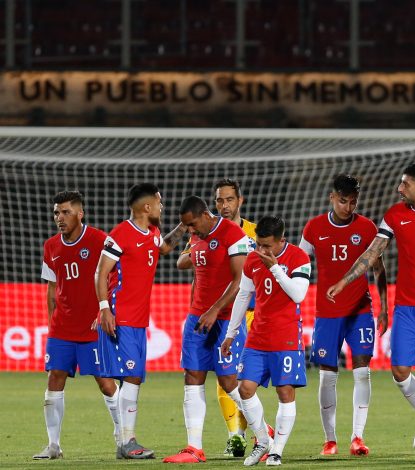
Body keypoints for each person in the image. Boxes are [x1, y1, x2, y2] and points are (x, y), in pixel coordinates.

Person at [327, 163, 415, 457]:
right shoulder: (394, 215)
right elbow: (372, 253)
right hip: (405, 306)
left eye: (405, 184)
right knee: (399, 370)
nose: (399, 189)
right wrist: (343, 281)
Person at [95, 183, 186, 459]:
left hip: (138, 320)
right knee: (131, 377)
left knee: (133, 379)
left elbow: (165, 248)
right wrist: (104, 309)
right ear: (147, 207)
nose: (162, 207)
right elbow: (101, 272)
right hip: (120, 316)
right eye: (159, 202)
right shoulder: (120, 234)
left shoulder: (153, 233)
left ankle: (126, 441)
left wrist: (183, 227)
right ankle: (127, 441)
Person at [299, 174, 388, 456]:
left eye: (352, 202)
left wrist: (384, 307)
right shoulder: (314, 228)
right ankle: (330, 439)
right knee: (328, 376)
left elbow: (378, 269)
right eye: (342, 201)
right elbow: (300, 266)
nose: (348, 207)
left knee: (363, 370)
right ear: (331, 197)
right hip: (327, 313)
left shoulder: (366, 227)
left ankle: (357, 438)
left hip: (360, 310)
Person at [162, 196, 253, 463]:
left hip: (225, 318)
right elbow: (175, 257)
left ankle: (262, 429)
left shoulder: (232, 233)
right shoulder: (196, 235)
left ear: (204, 215)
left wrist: (214, 309)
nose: (190, 231)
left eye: (192, 225)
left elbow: (240, 281)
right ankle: (194, 448)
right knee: (193, 376)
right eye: (186, 227)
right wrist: (187, 233)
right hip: (197, 317)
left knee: (228, 381)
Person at [33, 191, 121, 460]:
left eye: (66, 212)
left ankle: (123, 439)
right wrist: (52, 326)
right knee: (54, 379)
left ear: (80, 213)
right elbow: (51, 290)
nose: (60, 218)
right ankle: (53, 446)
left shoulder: (99, 240)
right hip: (62, 329)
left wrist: (105, 310)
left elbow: (115, 278)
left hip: (94, 327)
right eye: (57, 212)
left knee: (105, 383)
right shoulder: (51, 247)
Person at [221, 216, 311, 467]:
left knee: (285, 392)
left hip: (286, 338)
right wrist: (231, 333)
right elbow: (243, 295)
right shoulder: (252, 259)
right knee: (245, 388)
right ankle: (263, 441)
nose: (261, 251)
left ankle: (277, 451)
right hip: (257, 337)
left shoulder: (299, 258)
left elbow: (298, 294)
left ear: (281, 240)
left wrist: (274, 267)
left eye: (267, 246)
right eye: (259, 244)